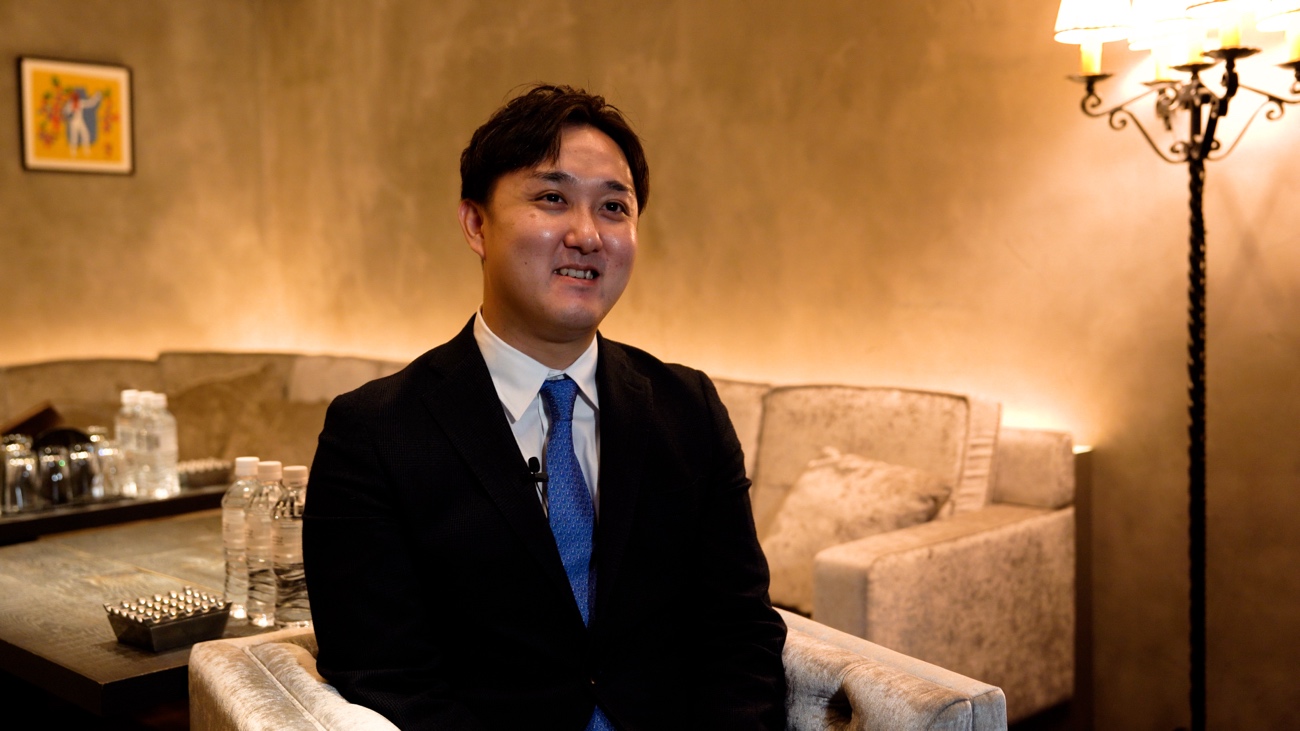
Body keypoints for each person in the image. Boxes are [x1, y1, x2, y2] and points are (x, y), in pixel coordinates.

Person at [303, 84, 787, 730]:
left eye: (613, 207)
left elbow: (740, 630)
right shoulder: (374, 432)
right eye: (552, 198)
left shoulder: (688, 409)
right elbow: (384, 674)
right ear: (476, 224)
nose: (587, 235)